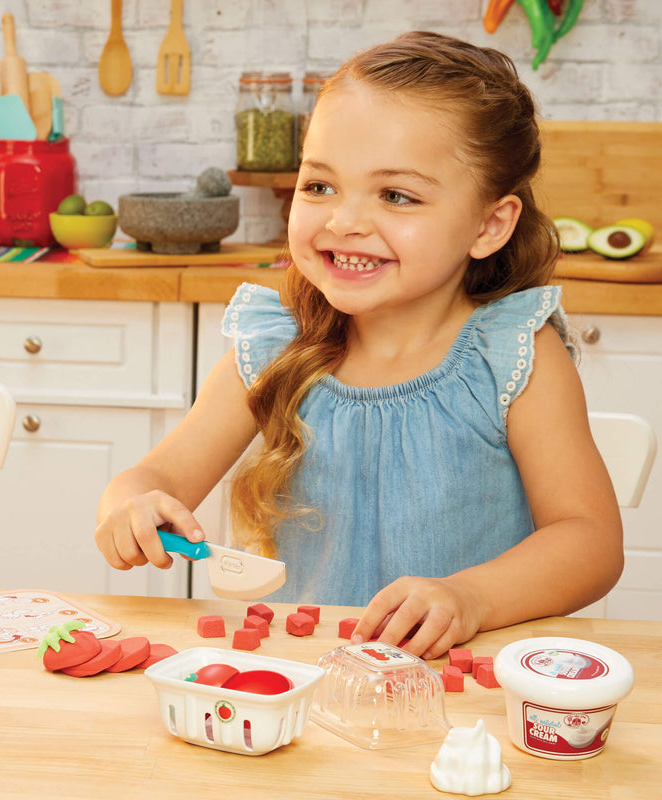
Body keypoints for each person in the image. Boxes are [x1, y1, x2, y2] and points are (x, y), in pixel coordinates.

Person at [95, 31, 623, 659]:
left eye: (396, 195)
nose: (344, 221)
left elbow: (590, 542)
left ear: (489, 225)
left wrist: (471, 598)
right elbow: (153, 477)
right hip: (303, 685)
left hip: (459, 701)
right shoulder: (274, 350)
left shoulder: (511, 358)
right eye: (320, 187)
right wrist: (132, 505)